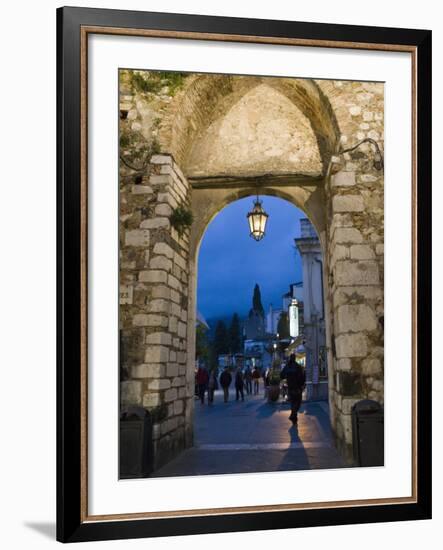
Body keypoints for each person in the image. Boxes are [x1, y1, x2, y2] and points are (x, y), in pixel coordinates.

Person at [280, 354, 306, 424]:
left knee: (293, 402)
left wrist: (287, 377)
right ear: (294, 358)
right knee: (298, 402)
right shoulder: (298, 367)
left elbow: (281, 375)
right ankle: (293, 415)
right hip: (297, 388)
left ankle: (293, 416)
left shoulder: (287, 366)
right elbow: (302, 378)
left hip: (290, 388)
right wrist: (302, 385)